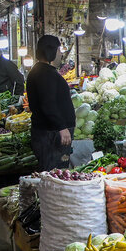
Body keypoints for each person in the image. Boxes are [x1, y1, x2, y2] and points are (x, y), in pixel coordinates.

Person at [26, 35, 75, 172]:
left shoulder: (39, 71)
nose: (61, 54)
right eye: (59, 50)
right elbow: (48, 105)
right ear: (51, 51)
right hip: (51, 135)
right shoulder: (45, 74)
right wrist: (62, 128)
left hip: (48, 133)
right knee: (54, 174)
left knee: (52, 172)